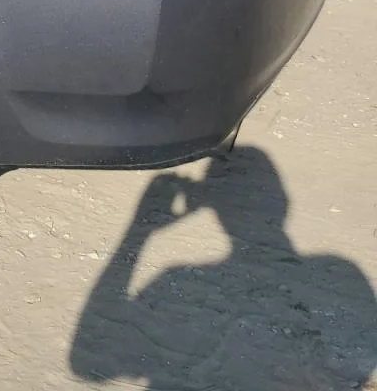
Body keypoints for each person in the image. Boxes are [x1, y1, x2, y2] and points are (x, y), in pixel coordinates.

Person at [70, 147, 376, 390]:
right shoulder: (341, 272)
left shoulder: (176, 279)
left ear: (212, 210)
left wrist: (138, 231)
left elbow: (84, 365)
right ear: (283, 202)